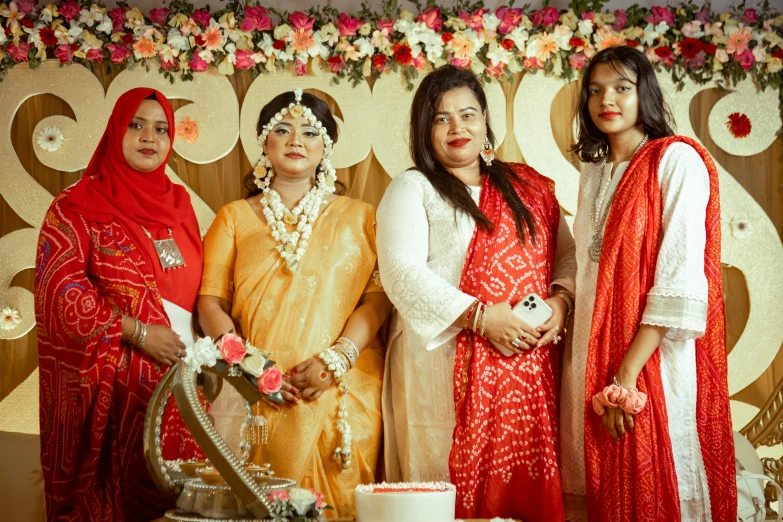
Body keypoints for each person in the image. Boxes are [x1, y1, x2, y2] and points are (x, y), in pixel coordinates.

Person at [377, 64, 576, 521]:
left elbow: (566, 257)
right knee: (440, 488)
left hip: (525, 365)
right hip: (441, 363)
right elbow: (400, 272)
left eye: (468, 114)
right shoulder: (414, 187)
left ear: (486, 121)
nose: (456, 127)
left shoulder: (527, 187)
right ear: (424, 129)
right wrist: (483, 317)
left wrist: (561, 305)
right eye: (441, 118)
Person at [560, 46, 736, 522]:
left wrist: (625, 377)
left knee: (653, 487)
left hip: (649, 361)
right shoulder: (593, 173)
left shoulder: (676, 160)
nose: (606, 100)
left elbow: (678, 279)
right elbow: (587, 269)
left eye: (621, 88)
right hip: (589, 358)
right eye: (595, 90)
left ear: (646, 95)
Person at [196, 88, 391, 518]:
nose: (296, 140)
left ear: (327, 147)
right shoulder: (233, 217)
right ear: (264, 144)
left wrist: (337, 359)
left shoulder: (360, 216)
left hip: (342, 392)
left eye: (310, 131)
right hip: (255, 391)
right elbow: (210, 304)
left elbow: (377, 303)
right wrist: (250, 364)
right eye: (281, 130)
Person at [34, 88, 204, 522]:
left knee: (182, 504)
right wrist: (141, 334)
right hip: (115, 396)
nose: (150, 137)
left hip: (184, 389)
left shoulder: (181, 206)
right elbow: (61, 292)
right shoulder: (76, 206)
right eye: (137, 125)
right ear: (116, 131)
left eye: (161, 128)